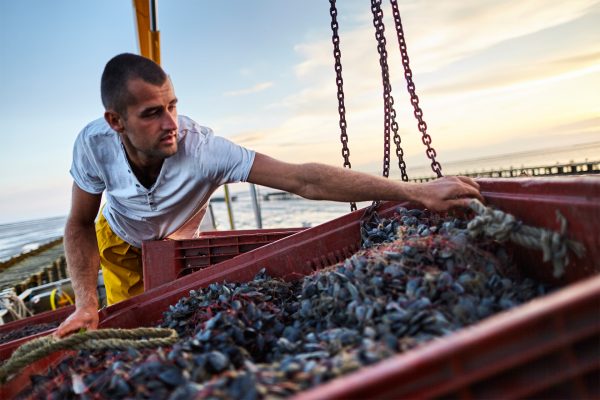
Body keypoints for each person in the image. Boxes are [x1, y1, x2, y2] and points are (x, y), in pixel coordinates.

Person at [55, 53, 483, 337]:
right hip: (119, 240)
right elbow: (78, 223)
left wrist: (415, 192)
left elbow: (304, 180)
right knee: (132, 331)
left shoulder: (205, 151)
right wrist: (86, 302)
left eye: (172, 105)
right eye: (152, 113)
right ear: (115, 121)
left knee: (183, 329)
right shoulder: (92, 144)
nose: (171, 123)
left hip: (178, 242)